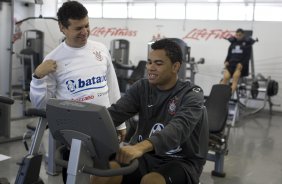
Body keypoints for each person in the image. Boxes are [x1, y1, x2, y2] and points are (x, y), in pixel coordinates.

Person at [29, 1, 126, 183]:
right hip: (75, 132)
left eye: (87, 25)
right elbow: (41, 105)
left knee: (110, 175)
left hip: (105, 124)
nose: (85, 32)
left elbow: (112, 86)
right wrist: (37, 77)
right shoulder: (53, 59)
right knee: (75, 176)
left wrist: (120, 123)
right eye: (78, 28)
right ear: (62, 28)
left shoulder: (100, 49)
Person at [92, 38, 209, 184]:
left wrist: (139, 147)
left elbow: (178, 129)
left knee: (151, 181)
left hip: (180, 161)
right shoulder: (142, 87)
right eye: (149, 62)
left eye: (158, 63)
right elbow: (115, 113)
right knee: (103, 176)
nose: (150, 67)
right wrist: (85, 130)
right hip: (146, 156)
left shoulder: (192, 94)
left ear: (175, 67)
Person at [220, 28, 255, 94]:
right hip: (231, 64)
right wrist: (226, 61)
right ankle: (221, 95)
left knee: (235, 78)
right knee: (225, 78)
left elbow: (247, 57)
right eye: (237, 35)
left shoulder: (247, 44)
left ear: (243, 35)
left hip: (240, 66)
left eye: (240, 35)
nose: (238, 36)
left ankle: (229, 95)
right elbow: (229, 54)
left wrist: (241, 64)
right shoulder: (233, 43)